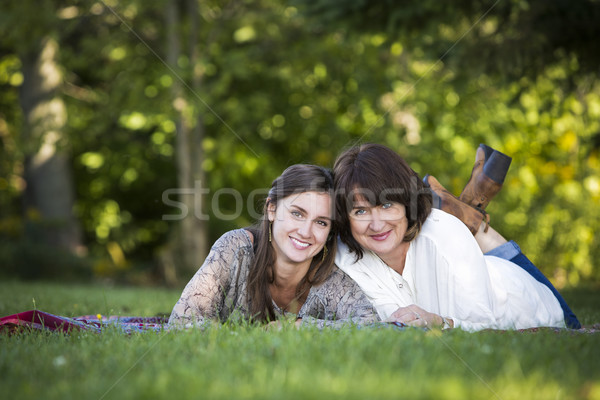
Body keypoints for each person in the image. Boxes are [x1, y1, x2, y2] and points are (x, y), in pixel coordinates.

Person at [333, 143, 581, 331]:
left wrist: (439, 321)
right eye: (361, 211)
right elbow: (390, 323)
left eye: (387, 206)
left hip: (526, 301)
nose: (376, 224)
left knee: (574, 325)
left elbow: (484, 325)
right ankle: (469, 212)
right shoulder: (346, 259)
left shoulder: (444, 235)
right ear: (346, 216)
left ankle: (471, 219)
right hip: (471, 253)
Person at [168, 164, 379, 329]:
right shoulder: (236, 249)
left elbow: (371, 325)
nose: (306, 232)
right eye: (297, 213)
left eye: (321, 222)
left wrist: (295, 327)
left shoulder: (330, 280)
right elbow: (183, 320)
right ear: (272, 209)